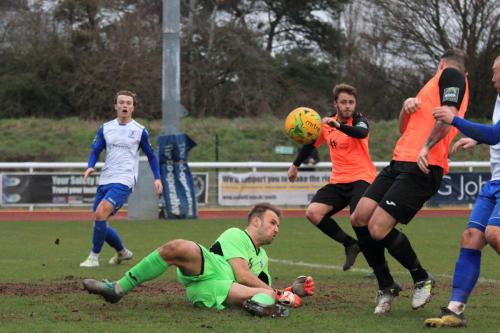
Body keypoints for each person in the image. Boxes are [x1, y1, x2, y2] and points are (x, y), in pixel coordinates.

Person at [350, 48, 470, 314]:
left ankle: (421, 277)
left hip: (422, 165)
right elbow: (405, 128)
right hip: (399, 161)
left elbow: (448, 117)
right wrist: (405, 109)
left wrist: (426, 148)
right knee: (359, 217)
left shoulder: (452, 75)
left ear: (441, 63)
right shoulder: (431, 86)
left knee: (378, 228)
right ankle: (387, 285)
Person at [82, 203, 315, 315]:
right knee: (177, 247)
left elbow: (262, 285)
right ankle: (118, 288)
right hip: (213, 269)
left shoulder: (263, 257)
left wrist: (291, 290)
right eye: (273, 222)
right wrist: (279, 295)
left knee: (262, 295)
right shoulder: (236, 234)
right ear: (256, 222)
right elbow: (243, 274)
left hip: (215, 291)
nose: (277, 229)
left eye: (278, 226)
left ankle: (261, 307)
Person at [424, 55, 500, 328]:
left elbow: (495, 135)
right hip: (494, 182)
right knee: (471, 237)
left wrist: (455, 120)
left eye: (495, 72)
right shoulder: (498, 100)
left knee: (494, 234)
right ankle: (455, 310)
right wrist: (474, 137)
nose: (492, 78)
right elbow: (493, 133)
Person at [288, 83, 377, 271]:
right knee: (313, 212)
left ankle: (377, 265)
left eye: (351, 102)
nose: (348, 106)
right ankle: (350, 244)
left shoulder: (360, 120)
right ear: (335, 103)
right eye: (343, 102)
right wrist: (295, 165)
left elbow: (361, 133)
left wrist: (339, 126)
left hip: (362, 178)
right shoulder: (327, 125)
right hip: (338, 181)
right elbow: (310, 146)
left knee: (360, 220)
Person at [79, 90, 163, 268]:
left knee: (101, 212)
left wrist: (157, 178)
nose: (125, 105)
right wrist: (90, 166)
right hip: (106, 178)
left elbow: (152, 156)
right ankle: (122, 252)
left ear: (133, 108)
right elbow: (95, 149)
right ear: (115, 106)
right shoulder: (106, 128)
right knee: (99, 219)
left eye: (128, 103)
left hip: (124, 180)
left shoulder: (140, 131)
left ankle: (93, 257)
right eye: (121, 102)